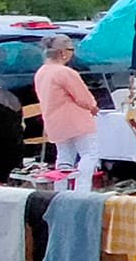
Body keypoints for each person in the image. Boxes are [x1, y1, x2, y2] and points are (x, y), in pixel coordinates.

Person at [34, 33, 101, 192]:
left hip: (54, 122)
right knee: (89, 154)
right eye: (71, 49)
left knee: (64, 157)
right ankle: (82, 190)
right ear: (63, 52)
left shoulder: (41, 72)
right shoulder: (65, 72)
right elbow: (83, 97)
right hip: (76, 121)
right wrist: (93, 106)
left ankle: (61, 189)